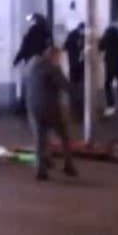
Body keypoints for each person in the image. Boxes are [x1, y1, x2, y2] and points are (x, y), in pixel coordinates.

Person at [25, 44, 78, 182]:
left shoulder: (32, 66)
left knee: (39, 138)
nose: (59, 60)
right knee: (64, 135)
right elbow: (64, 85)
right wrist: (76, 94)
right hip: (49, 107)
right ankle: (68, 165)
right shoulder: (52, 68)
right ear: (53, 56)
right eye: (58, 57)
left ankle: (40, 169)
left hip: (32, 106)